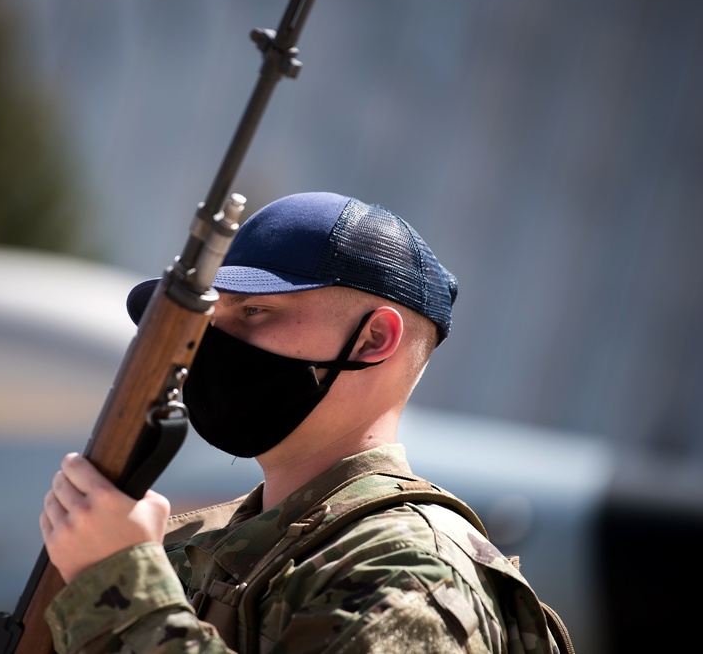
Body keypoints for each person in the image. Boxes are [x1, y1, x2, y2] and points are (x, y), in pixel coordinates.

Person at [39, 192, 564, 653]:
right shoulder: (199, 549)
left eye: (251, 313)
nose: (211, 346)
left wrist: (124, 590)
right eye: (209, 321)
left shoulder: (410, 575)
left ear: (373, 339)